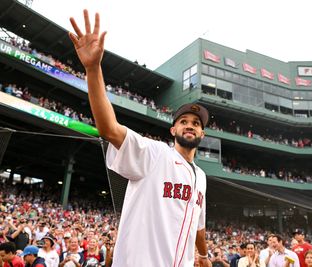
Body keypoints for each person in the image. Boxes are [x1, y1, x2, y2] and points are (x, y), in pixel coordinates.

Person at [69, 9, 211, 267]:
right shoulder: (154, 154)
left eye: (196, 124)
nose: (190, 126)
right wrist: (93, 69)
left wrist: (202, 254)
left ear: (202, 133)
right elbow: (109, 129)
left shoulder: (201, 177)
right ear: (173, 130)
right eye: (183, 122)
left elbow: (198, 223)